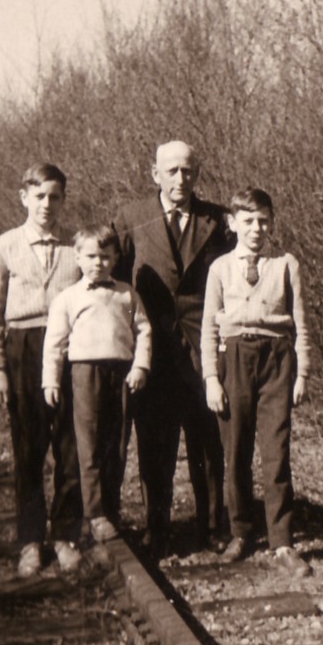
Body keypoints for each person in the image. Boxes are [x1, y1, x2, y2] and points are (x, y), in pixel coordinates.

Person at [113, 140, 232, 558]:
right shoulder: (130, 218)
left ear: (197, 173)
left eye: (187, 170)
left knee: (209, 443)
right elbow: (112, 282)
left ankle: (214, 527)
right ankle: (156, 528)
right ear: (155, 173)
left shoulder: (217, 220)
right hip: (154, 354)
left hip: (204, 351)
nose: (180, 179)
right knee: (155, 445)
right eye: (172, 171)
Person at [201, 187, 312, 578]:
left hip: (277, 360)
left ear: (272, 223)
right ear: (232, 224)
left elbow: (300, 322)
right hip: (233, 360)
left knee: (276, 451)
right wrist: (212, 379)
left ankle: (282, 541)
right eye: (247, 221)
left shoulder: (286, 264)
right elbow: (208, 329)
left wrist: (302, 373)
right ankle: (241, 532)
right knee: (235, 451)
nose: (256, 228)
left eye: (263, 220)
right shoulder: (220, 268)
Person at [0, 162, 83, 577]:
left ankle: (65, 534)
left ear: (63, 200)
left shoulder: (77, 247)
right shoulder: (4, 247)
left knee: (71, 446)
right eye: (39, 196)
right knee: (28, 447)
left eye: (54, 197)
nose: (46, 205)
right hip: (22, 348)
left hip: (68, 347)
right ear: (23, 197)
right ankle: (30, 540)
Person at [42, 224, 152, 546]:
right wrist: (51, 380)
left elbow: (144, 332)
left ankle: (111, 509)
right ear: (77, 257)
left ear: (116, 258)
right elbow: (55, 343)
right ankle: (94, 513)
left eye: (105, 256)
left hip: (120, 373)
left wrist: (140, 366)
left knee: (116, 444)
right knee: (88, 444)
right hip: (85, 373)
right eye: (90, 256)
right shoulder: (69, 298)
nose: (97, 263)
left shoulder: (126, 294)